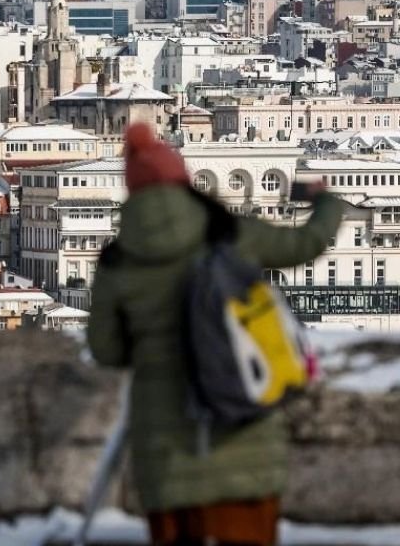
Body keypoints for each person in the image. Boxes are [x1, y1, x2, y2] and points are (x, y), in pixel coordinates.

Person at [88, 123, 344, 546]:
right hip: (243, 430)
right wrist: (327, 203)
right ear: (183, 179)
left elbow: (105, 349)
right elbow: (306, 245)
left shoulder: (118, 262)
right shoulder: (231, 233)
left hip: (165, 449)